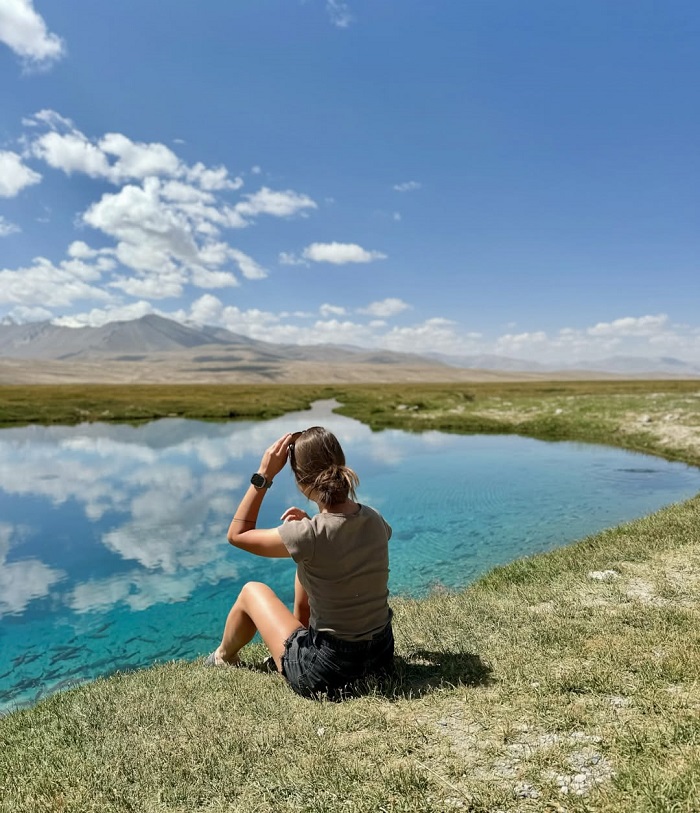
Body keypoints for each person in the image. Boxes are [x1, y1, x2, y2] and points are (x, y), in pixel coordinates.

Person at [206, 426, 394, 697]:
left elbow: (237, 535)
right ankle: (300, 637)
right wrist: (311, 526)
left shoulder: (309, 535)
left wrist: (264, 475)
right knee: (307, 562)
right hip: (380, 659)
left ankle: (223, 656)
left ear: (301, 480)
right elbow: (345, 542)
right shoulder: (375, 519)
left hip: (327, 671)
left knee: (251, 591)